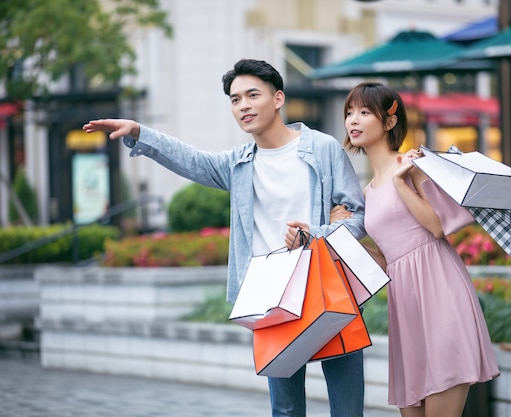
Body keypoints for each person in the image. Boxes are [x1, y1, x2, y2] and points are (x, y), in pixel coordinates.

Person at [83, 59, 367, 417]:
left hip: (326, 283)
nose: (243, 105)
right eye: (235, 100)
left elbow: (357, 216)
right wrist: (140, 132)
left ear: (278, 98)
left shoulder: (322, 148)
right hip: (271, 296)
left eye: (252, 95)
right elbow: (192, 160)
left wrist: (317, 235)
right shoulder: (239, 163)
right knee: (286, 408)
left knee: (347, 408)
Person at [335, 81, 500, 417]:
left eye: (364, 112)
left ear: (390, 121)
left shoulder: (414, 166)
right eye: (350, 112)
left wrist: (400, 181)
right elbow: (386, 258)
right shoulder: (366, 192)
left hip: (440, 294)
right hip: (406, 306)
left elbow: (437, 225)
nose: (353, 120)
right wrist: (339, 233)